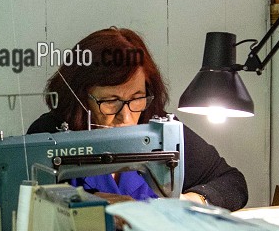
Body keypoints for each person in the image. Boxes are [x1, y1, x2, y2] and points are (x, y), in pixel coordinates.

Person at [27, 27, 249, 210]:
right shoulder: (48, 134)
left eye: (137, 98)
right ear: (81, 97)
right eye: (111, 101)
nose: (125, 116)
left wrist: (192, 201)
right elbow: (26, 208)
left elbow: (234, 183)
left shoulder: (157, 129)